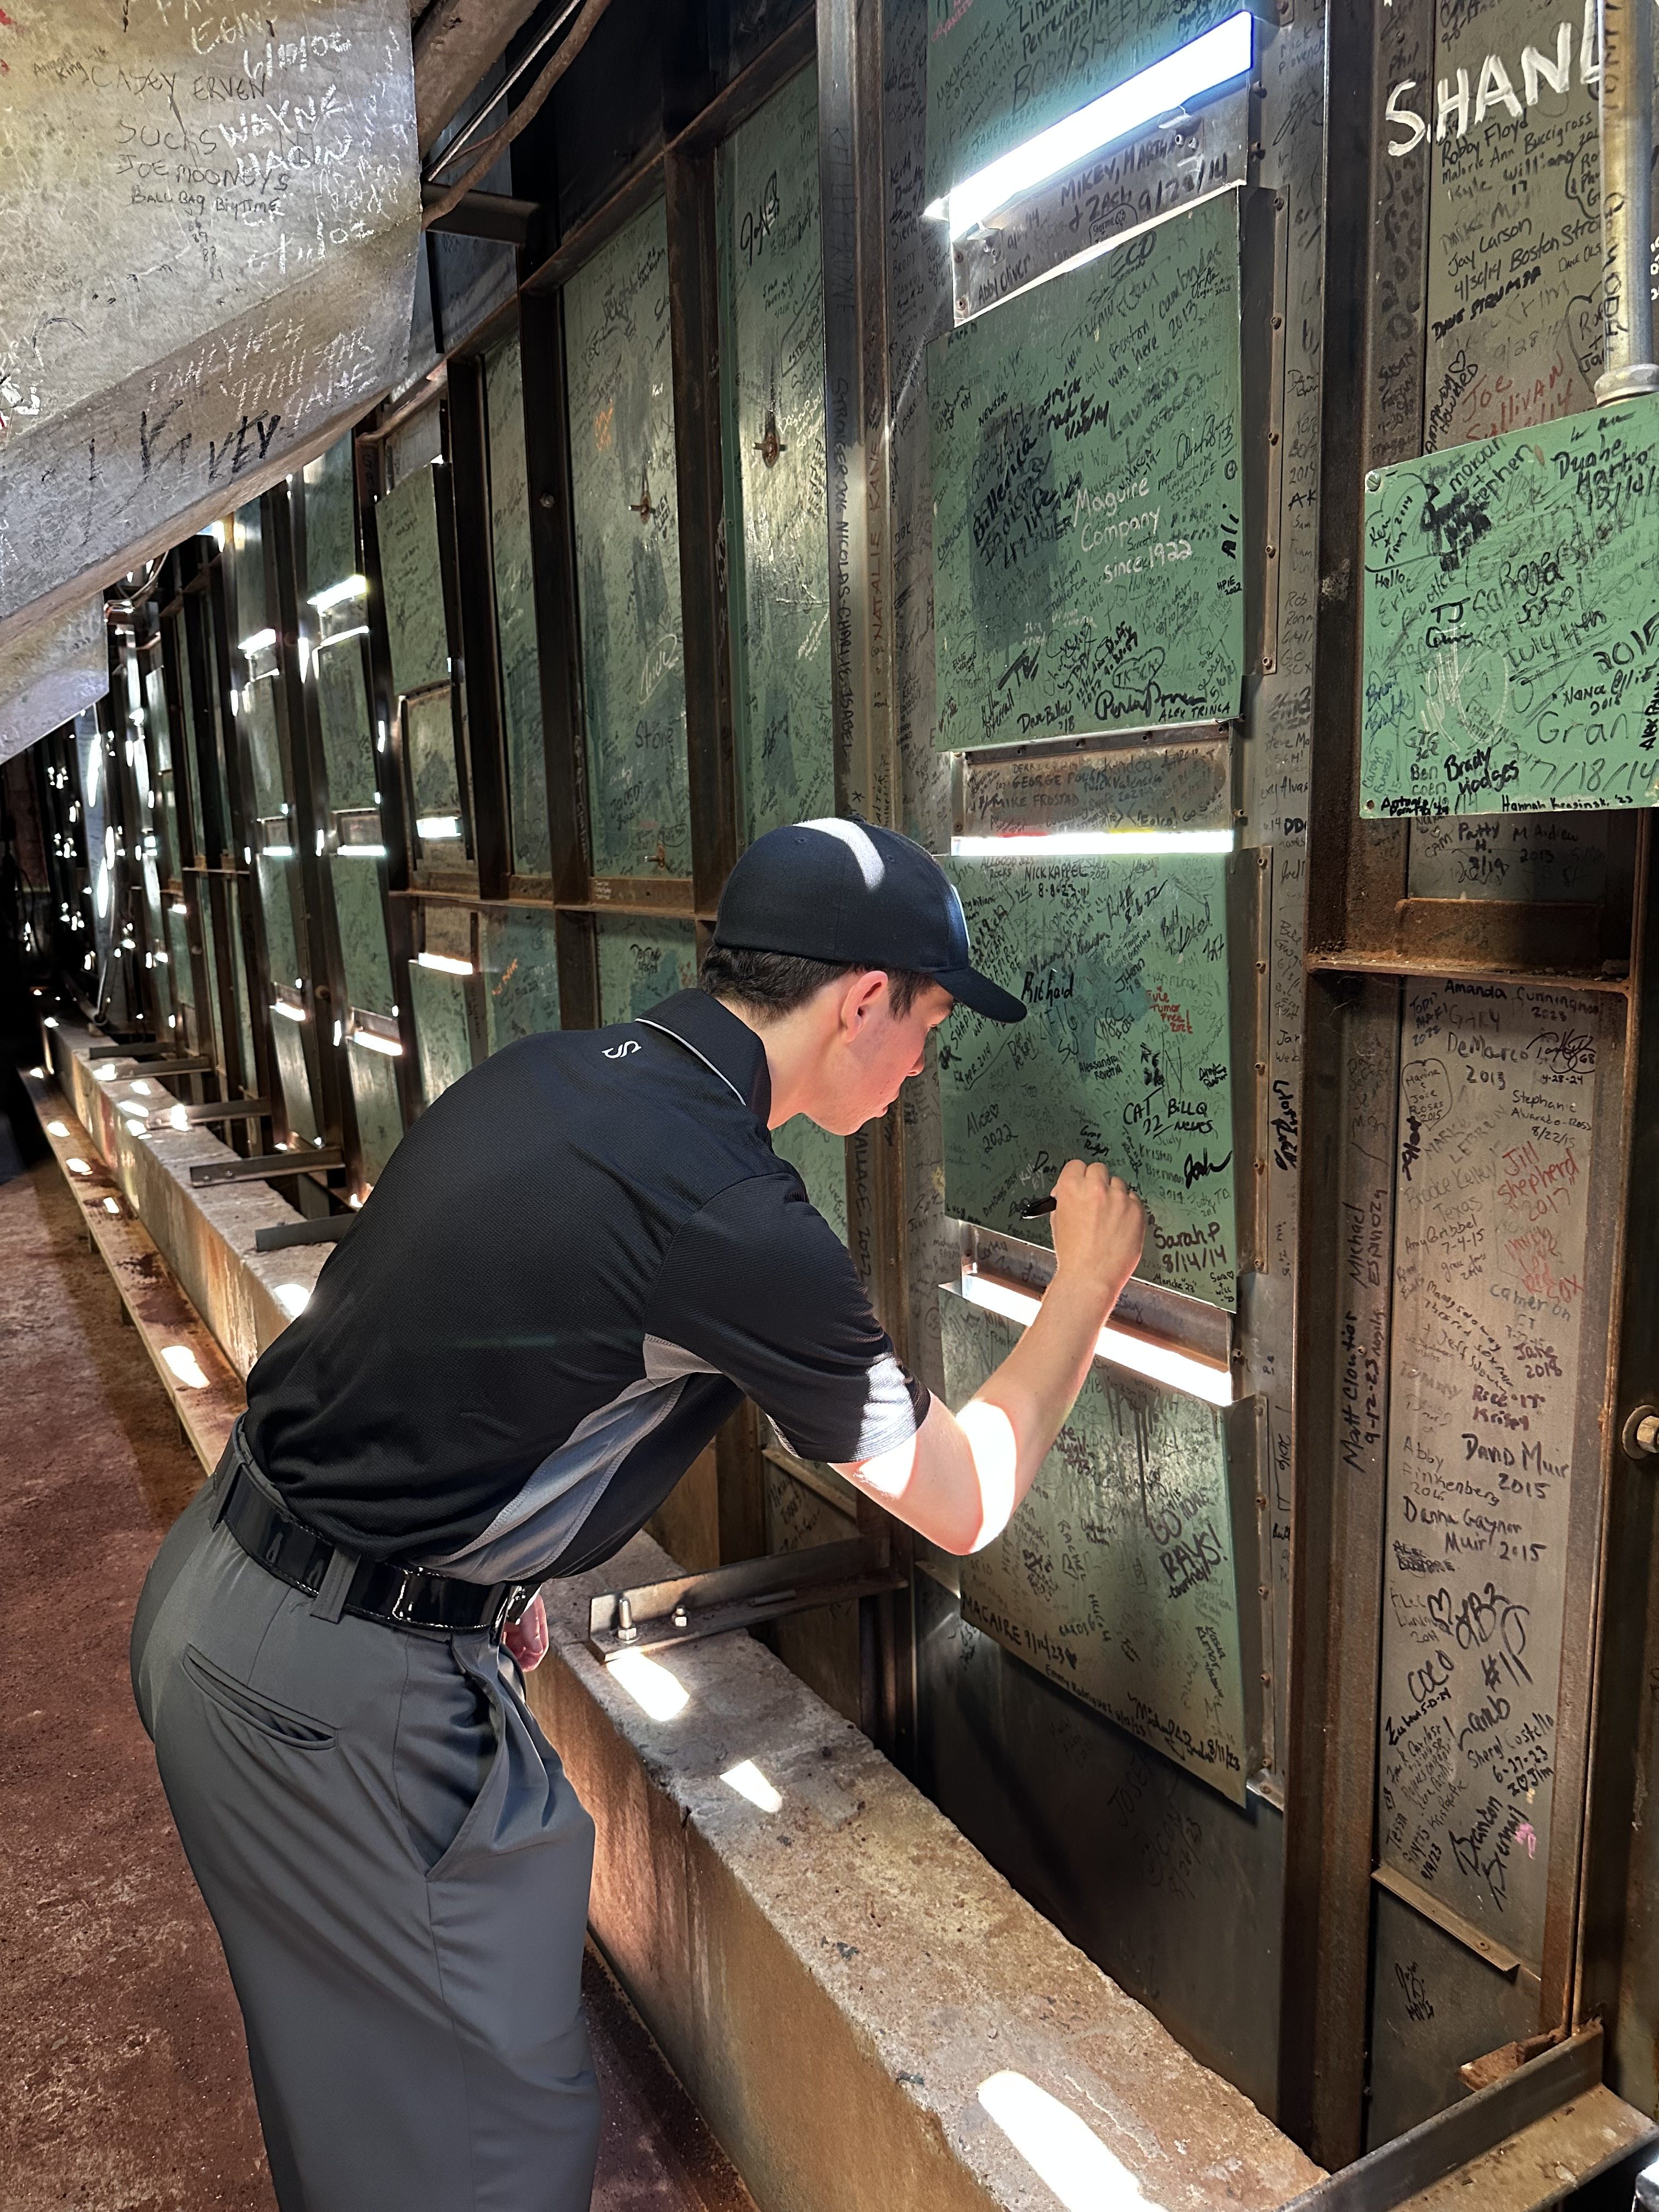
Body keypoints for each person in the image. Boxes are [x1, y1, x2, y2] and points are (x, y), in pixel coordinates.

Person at [130, 817, 1146, 2212]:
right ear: (861, 1001)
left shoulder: (564, 1075)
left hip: (233, 1600)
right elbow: (960, 1498)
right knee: (487, 2155)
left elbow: (437, 1343)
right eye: (927, 1026)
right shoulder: (728, 1210)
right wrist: (1087, 1286)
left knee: (371, 2122)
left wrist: (489, 1575)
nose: (923, 1068)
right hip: (332, 1697)